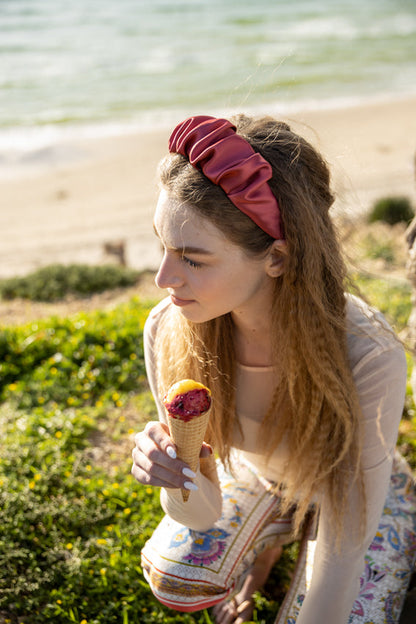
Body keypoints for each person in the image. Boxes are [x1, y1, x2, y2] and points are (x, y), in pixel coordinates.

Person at [131, 115, 416, 624]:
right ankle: (270, 544)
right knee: (178, 575)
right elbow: (201, 514)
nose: (163, 278)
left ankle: (276, 549)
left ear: (277, 259)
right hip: (259, 477)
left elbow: (346, 549)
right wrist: (174, 480)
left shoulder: (369, 355)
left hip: (352, 499)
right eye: (163, 246)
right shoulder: (166, 330)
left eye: (192, 259)